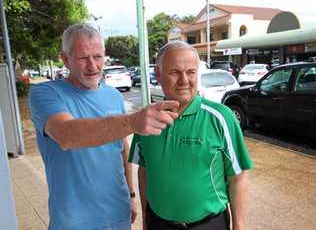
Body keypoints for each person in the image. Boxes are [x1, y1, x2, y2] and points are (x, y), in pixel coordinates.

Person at [28, 23, 179, 230]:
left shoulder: (113, 96)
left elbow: (122, 149)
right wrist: (132, 121)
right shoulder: (45, 94)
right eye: (83, 58)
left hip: (118, 213)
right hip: (74, 222)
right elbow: (65, 134)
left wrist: (131, 195)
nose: (92, 66)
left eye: (97, 57)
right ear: (65, 59)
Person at [129, 41, 254, 230]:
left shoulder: (221, 118)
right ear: (158, 74)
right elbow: (144, 171)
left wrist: (240, 226)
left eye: (191, 72)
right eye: (175, 72)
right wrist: (146, 218)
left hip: (208, 225)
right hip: (158, 224)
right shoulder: (145, 120)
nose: (184, 80)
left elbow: (238, 177)